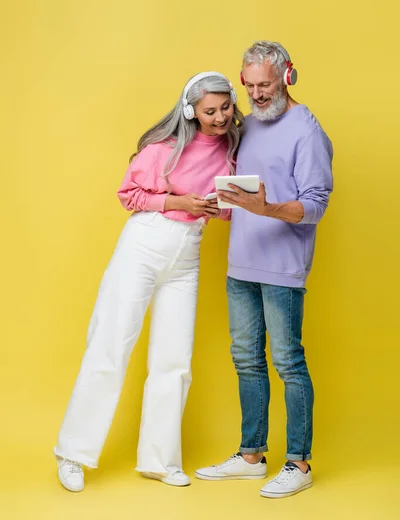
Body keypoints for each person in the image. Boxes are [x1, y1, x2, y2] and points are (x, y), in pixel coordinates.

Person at [54, 71, 244, 492]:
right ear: (191, 111)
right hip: (144, 246)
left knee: (175, 358)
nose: (219, 117)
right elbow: (130, 195)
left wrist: (217, 209)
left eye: (225, 107)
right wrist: (177, 200)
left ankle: (160, 460)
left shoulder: (234, 150)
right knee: (111, 344)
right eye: (209, 111)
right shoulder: (164, 149)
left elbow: (234, 208)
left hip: (187, 255)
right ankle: (72, 453)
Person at [195, 41, 333, 498]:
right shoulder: (248, 127)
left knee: (288, 362)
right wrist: (224, 206)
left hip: (283, 268)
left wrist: (266, 206)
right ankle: (252, 454)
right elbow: (244, 195)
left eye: (265, 85)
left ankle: (299, 461)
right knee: (246, 359)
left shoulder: (307, 131)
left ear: (287, 77)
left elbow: (314, 206)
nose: (255, 94)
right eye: (249, 85)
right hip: (241, 264)